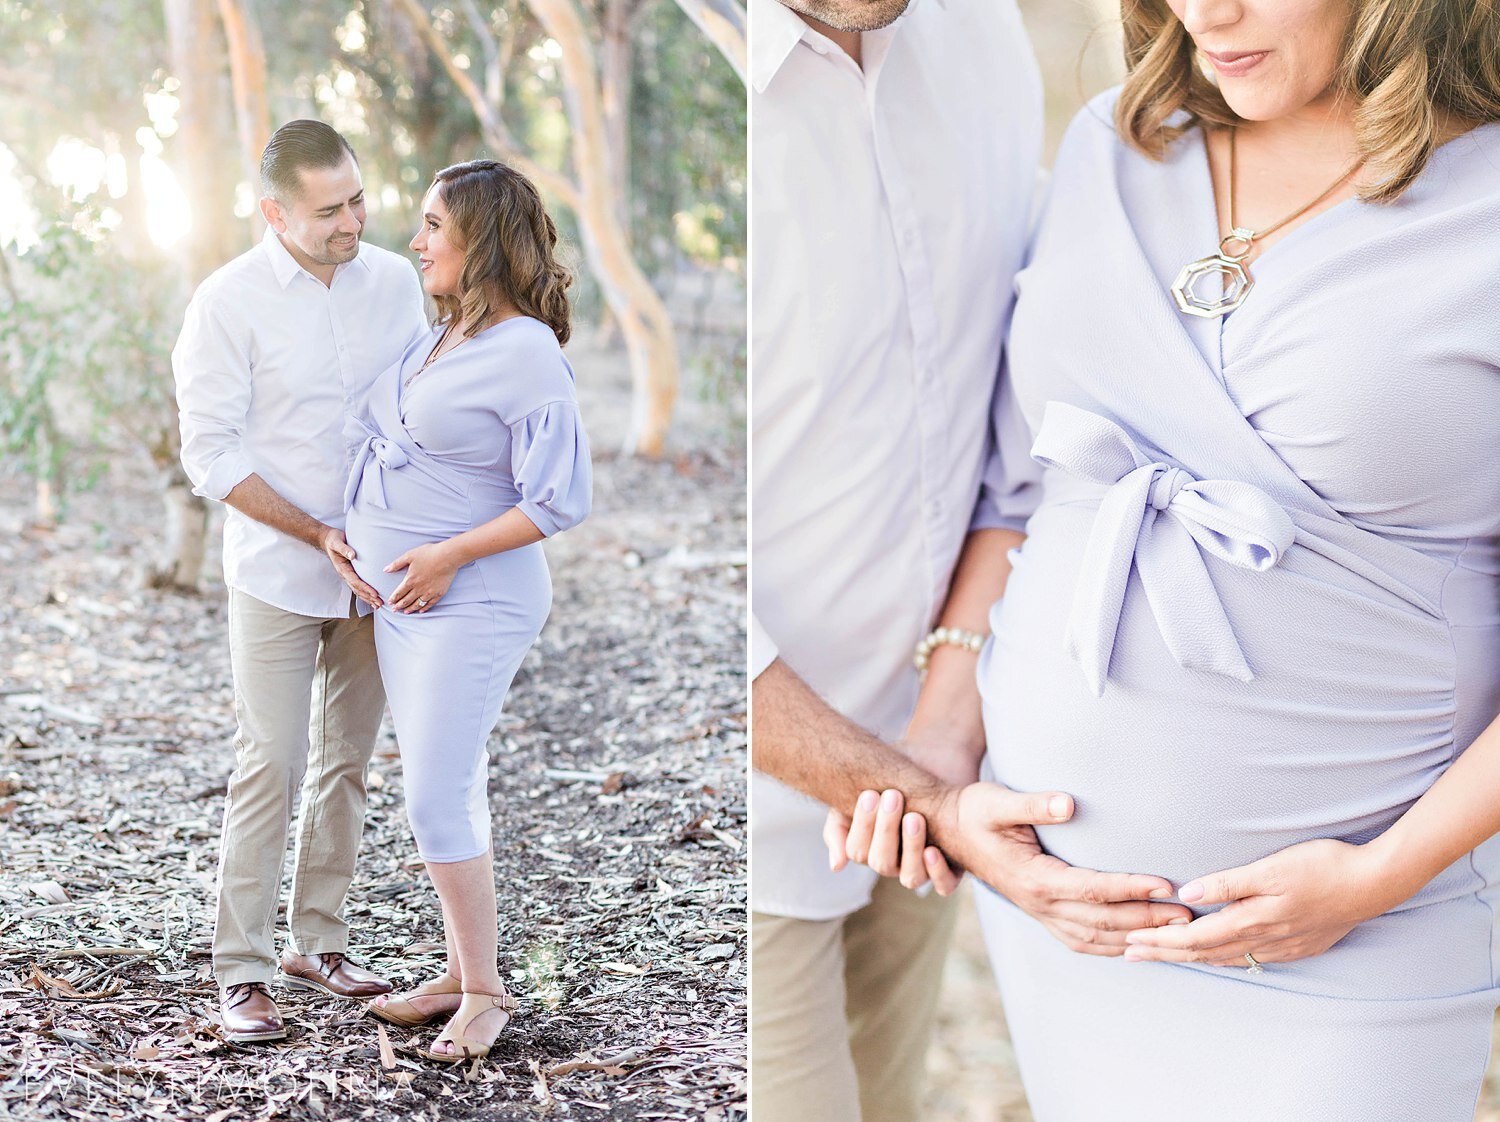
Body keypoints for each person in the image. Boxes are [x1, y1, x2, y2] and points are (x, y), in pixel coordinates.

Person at [832, 0, 1500, 1115]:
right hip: (1069, 936)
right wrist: (943, 744)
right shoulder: (1114, 145)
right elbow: (1025, 494)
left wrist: (1377, 877)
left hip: (1360, 941)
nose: (1206, 14)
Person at [747, 1, 1197, 1118]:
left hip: (937, 778)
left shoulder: (974, 33)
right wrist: (914, 789)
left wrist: (948, 715)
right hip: (746, 828)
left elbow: (1019, 408)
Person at [173, 120, 428, 1043]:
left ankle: (316, 941)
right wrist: (316, 531)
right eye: (329, 211)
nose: (352, 222)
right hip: (279, 573)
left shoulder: (397, 282)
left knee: (347, 766)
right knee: (269, 767)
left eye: (358, 199)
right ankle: (240, 969)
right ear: (274, 212)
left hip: (377, 575)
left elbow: (419, 402)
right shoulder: (225, 302)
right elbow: (210, 452)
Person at [348, 160, 591, 1063]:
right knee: (449, 783)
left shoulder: (526, 350)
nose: (415, 241)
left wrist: (448, 553)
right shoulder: (442, 333)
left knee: (432, 794)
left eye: (432, 226)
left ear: (480, 238)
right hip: (407, 605)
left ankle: (486, 992)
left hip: (475, 602)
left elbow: (557, 499)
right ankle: (459, 969)